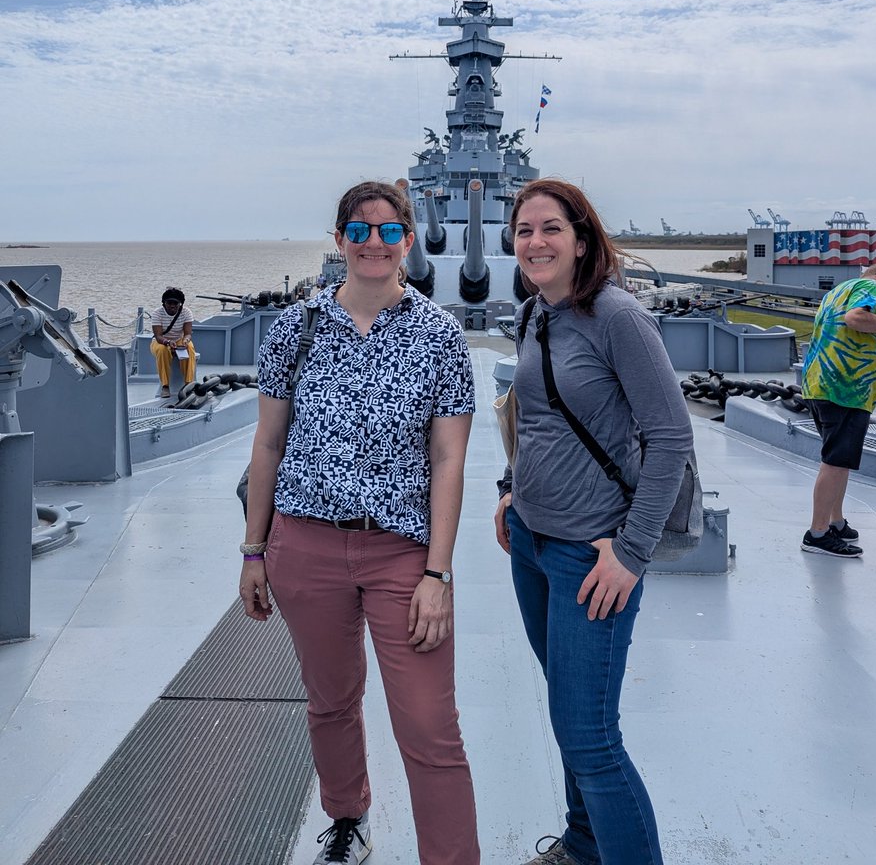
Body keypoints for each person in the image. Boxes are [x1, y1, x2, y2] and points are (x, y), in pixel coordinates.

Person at [240, 181, 480, 865]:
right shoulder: (298, 327)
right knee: (330, 701)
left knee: (431, 724)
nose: (373, 242)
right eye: (358, 228)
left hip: (402, 552)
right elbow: (267, 444)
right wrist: (254, 551)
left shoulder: (439, 335)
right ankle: (348, 819)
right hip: (306, 545)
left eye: (387, 230)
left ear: (408, 239)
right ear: (340, 237)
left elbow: (448, 459)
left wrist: (438, 571)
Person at [494, 179, 694, 865]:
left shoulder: (617, 317)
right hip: (531, 542)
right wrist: (509, 490)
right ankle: (583, 846)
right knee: (565, 710)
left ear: (582, 239)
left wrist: (632, 553)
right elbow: (534, 418)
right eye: (524, 231)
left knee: (590, 739)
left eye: (551, 229)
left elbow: (670, 438)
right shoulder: (533, 315)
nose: (536, 242)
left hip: (592, 555)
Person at [799, 262, 876, 558]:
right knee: (834, 462)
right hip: (844, 389)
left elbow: (851, 327)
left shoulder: (838, 290)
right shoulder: (870, 286)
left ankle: (836, 521)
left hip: (821, 384)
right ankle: (817, 534)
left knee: (838, 460)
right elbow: (856, 318)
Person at [150, 287, 196, 397]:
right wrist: (167, 342)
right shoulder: (157, 313)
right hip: (161, 341)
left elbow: (188, 333)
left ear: (180, 304)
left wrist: (185, 340)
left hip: (179, 339)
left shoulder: (186, 312)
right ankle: (165, 386)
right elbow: (158, 336)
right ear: (164, 303)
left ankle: (188, 383)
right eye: (169, 303)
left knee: (189, 348)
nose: (172, 306)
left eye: (175, 303)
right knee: (162, 351)